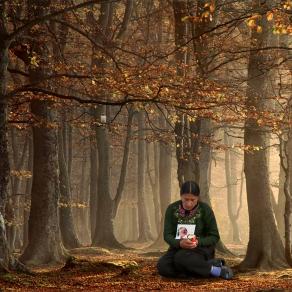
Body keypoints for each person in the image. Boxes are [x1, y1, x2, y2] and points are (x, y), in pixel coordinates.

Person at [157, 181, 233, 280]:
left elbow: (214, 236)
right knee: (163, 266)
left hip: (201, 249)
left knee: (181, 258)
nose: (189, 203)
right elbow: (167, 235)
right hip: (177, 247)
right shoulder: (172, 209)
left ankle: (218, 271)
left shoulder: (205, 210)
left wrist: (198, 241)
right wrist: (179, 243)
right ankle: (208, 266)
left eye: (193, 200)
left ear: (198, 198)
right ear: (181, 196)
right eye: (186, 199)